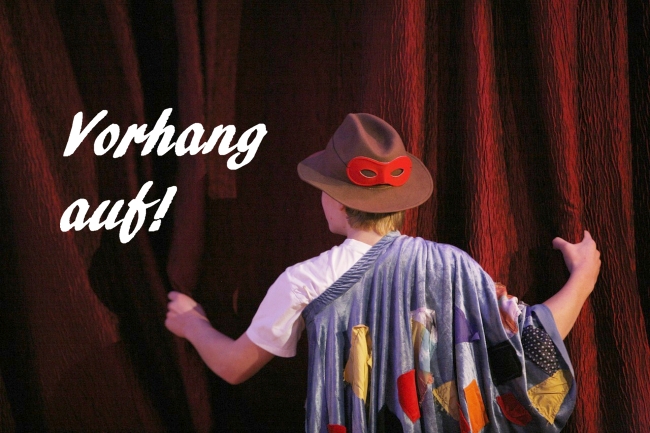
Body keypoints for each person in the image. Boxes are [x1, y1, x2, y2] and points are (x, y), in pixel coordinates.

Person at [166, 113, 600, 432]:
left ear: (337, 200)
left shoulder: (304, 281)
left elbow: (235, 366)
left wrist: (191, 324)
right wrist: (583, 276)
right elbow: (529, 341)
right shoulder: (455, 266)